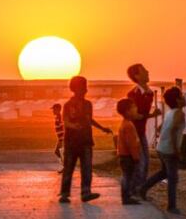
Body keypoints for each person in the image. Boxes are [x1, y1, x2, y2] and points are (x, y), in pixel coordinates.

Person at [59, 76, 112, 204]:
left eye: (85, 86)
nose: (86, 89)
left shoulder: (88, 104)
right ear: (75, 88)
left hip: (86, 140)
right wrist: (74, 126)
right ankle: (65, 194)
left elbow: (90, 120)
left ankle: (86, 192)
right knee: (68, 168)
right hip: (71, 142)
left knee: (87, 167)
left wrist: (102, 128)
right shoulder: (67, 105)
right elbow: (65, 121)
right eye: (83, 86)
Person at [139, 87, 186, 213]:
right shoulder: (179, 113)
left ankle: (142, 189)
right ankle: (172, 206)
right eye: (182, 96)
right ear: (177, 100)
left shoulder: (170, 112)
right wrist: (176, 150)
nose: (184, 97)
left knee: (164, 173)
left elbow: (160, 128)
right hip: (169, 150)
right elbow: (172, 130)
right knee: (172, 178)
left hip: (161, 148)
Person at [126, 64, 162, 195]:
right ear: (137, 76)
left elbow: (141, 114)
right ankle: (136, 190)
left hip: (140, 132)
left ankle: (139, 190)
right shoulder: (133, 94)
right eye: (144, 71)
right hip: (133, 133)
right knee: (140, 162)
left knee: (144, 162)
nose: (148, 72)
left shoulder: (148, 93)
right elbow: (134, 115)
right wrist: (152, 115)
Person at [116, 98, 142, 205]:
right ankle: (126, 197)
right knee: (128, 176)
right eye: (133, 107)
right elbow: (131, 144)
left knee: (126, 176)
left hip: (124, 155)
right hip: (128, 156)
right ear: (127, 111)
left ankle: (126, 195)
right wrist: (136, 157)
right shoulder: (129, 125)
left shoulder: (125, 123)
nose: (136, 109)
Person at [51, 103, 65, 171]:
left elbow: (64, 127)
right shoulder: (57, 117)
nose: (52, 111)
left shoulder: (60, 117)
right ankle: (65, 166)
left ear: (57, 109)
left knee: (58, 152)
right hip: (60, 138)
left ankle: (65, 167)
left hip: (62, 138)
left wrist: (63, 138)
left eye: (53, 109)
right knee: (58, 152)